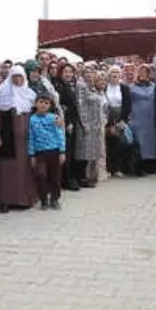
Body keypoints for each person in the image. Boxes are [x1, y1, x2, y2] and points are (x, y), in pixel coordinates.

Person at [0, 65, 39, 211]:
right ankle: (5, 201)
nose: (18, 80)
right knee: (7, 169)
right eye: (15, 77)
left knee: (25, 168)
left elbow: (36, 116)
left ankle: (24, 199)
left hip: (25, 138)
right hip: (7, 136)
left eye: (21, 77)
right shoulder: (0, 92)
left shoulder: (30, 94)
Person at [28, 92, 68, 209]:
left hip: (54, 151)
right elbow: (31, 137)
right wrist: (31, 155)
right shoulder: (32, 119)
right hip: (40, 153)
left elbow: (60, 135)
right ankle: (44, 199)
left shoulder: (54, 118)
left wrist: (62, 152)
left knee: (55, 177)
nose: (43, 105)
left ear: (50, 105)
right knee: (41, 175)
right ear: (36, 103)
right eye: (41, 102)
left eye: (46, 103)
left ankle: (55, 199)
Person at [74, 64, 106, 187]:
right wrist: (85, 124)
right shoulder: (81, 85)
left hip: (95, 124)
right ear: (82, 73)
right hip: (86, 124)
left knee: (90, 152)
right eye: (86, 72)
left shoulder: (91, 87)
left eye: (91, 72)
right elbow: (80, 106)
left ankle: (87, 177)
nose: (89, 74)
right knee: (83, 152)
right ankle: (81, 178)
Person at [53, 63, 82, 191]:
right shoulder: (58, 86)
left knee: (70, 151)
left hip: (71, 122)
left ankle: (69, 178)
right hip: (65, 123)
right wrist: (69, 122)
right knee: (66, 152)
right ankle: (67, 180)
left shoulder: (69, 85)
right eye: (66, 72)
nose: (68, 74)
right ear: (60, 72)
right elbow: (61, 107)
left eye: (71, 72)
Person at [128, 65, 156, 174]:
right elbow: (128, 103)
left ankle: (150, 164)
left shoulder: (154, 86)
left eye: (145, 71)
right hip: (137, 117)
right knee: (139, 141)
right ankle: (138, 165)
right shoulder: (132, 87)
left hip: (150, 117)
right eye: (141, 71)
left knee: (151, 141)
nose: (143, 73)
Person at [104, 66, 135, 177]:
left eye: (117, 73)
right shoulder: (104, 87)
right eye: (112, 73)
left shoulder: (124, 88)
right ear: (109, 75)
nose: (115, 75)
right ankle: (108, 168)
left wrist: (123, 120)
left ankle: (117, 168)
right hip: (106, 117)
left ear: (120, 75)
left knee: (119, 143)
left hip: (120, 118)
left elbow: (128, 105)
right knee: (107, 143)